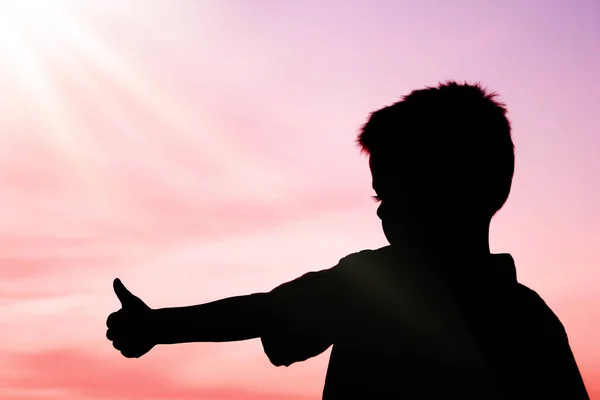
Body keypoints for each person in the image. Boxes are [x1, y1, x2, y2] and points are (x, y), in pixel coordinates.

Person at [106, 81, 590, 399]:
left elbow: (260, 312)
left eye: (401, 192)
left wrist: (156, 327)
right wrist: (157, 326)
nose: (385, 208)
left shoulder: (379, 287)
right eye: (382, 194)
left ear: (468, 189)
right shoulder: (531, 318)